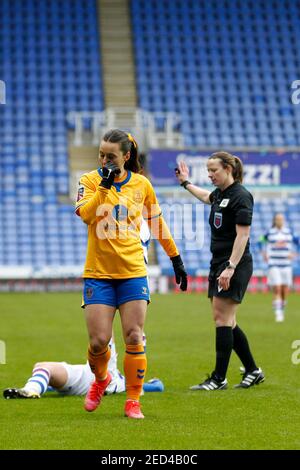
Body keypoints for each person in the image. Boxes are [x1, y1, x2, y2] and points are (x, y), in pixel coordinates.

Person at [75, 129, 187, 419]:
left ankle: (133, 401)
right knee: (99, 342)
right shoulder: (89, 180)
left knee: (134, 336)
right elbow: (86, 215)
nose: (104, 159)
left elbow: (157, 223)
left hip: (134, 272)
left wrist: (175, 259)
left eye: (110, 156)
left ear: (126, 156)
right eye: (101, 154)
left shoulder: (142, 185)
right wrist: (104, 186)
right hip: (98, 273)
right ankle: (101, 381)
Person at [175, 152, 264, 390]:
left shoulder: (241, 196)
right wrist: (185, 183)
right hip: (219, 263)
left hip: (234, 264)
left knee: (221, 318)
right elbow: (206, 197)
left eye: (214, 170)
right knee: (228, 321)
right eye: (208, 171)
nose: (210, 175)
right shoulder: (221, 195)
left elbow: (243, 235)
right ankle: (253, 371)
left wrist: (231, 267)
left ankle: (218, 378)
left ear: (228, 169)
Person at [2, 337, 164, 399]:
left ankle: (32, 388)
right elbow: (156, 386)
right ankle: (32, 390)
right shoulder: (128, 384)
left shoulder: (126, 383)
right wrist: (154, 383)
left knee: (43, 367)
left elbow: (155, 386)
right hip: (90, 376)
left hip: (88, 378)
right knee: (42, 366)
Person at [259, 213, 299, 322]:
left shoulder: (289, 232)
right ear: (274, 221)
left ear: (284, 220)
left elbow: (298, 243)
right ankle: (278, 313)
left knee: (285, 290)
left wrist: (295, 254)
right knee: (277, 288)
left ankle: (282, 306)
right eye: (277, 219)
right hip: (274, 264)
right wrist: (263, 253)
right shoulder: (270, 233)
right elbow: (260, 241)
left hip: (286, 265)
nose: (279, 221)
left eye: (281, 219)